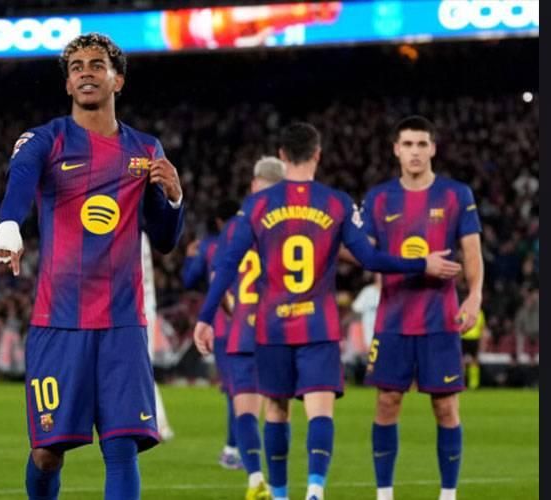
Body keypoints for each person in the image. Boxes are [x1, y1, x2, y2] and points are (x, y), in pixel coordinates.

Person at [193, 123, 462, 500]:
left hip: (272, 327)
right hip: (318, 326)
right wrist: (421, 263)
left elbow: (226, 265)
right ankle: (316, 489)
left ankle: (281, 495)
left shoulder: (256, 205)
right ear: (317, 154)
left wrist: (205, 317)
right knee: (320, 412)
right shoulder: (336, 202)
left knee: (276, 411)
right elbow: (371, 259)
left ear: (282, 156)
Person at [0, 33, 184, 500]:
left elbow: (163, 238)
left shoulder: (146, 149)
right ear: (67, 84)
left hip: (122, 322)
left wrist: (175, 198)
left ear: (118, 80)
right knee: (47, 453)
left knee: (121, 447)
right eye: (76, 67)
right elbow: (21, 180)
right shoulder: (45, 139)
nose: (85, 73)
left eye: (97, 64)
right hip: (60, 321)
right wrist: (9, 226)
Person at [361, 116, 483, 500]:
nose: (415, 152)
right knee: (387, 402)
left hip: (440, 319)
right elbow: (365, 254)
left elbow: (472, 251)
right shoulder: (379, 198)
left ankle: (448, 495)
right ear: (396, 150)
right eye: (408, 144)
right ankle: (384, 495)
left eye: (422, 144)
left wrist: (475, 295)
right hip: (393, 319)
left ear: (433, 149)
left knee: (445, 407)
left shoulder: (456, 195)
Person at [216, 155, 286, 500]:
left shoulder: (234, 227)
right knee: (277, 410)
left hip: (242, 330)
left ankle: (255, 478)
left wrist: (233, 313)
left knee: (245, 409)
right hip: (278, 330)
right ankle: (279, 486)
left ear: (255, 184)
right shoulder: (288, 226)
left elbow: (219, 283)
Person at [183, 199, 243, 469]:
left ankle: (233, 449)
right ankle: (238, 449)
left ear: (218, 221)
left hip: (222, 326)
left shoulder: (209, 247)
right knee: (250, 391)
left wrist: (189, 256)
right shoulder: (255, 238)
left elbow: (189, 279)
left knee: (234, 391)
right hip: (252, 324)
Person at [141, 231, 175, 442]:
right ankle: (155, 423)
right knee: (141, 368)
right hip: (144, 307)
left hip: (138, 309)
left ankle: (159, 424)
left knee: (142, 368)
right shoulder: (141, 234)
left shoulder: (132, 232)